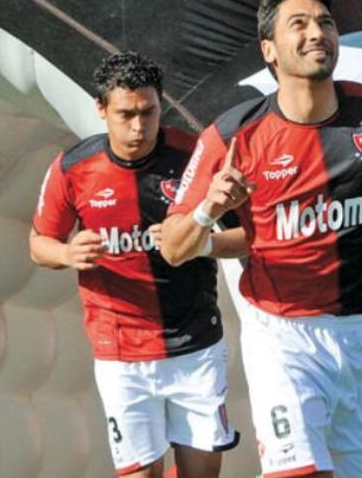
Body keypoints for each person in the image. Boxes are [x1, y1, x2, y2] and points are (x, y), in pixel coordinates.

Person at [161, 0, 362, 476]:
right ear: (269, 48)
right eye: (300, 23)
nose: (317, 33)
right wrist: (206, 207)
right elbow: (173, 246)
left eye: (326, 23)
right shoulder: (234, 132)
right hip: (283, 337)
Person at [29, 52, 242, 478]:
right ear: (100, 108)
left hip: (195, 345)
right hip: (121, 352)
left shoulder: (193, 156)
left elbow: (250, 239)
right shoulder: (72, 168)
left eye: (149, 112)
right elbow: (39, 245)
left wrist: (199, 244)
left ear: (161, 105)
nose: (139, 127)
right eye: (126, 114)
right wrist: (68, 254)